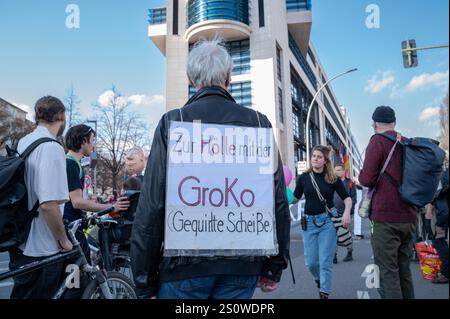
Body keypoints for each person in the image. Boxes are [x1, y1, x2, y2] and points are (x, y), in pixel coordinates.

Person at [130, 38, 291, 299]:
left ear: (191, 79)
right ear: (228, 77)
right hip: (242, 266)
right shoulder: (259, 124)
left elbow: (152, 205)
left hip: (183, 267)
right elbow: (278, 202)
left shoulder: (174, 122)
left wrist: (143, 282)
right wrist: (273, 267)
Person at [8, 96, 72, 299]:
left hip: (20, 239)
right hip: (42, 247)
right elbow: (48, 205)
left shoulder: (22, 142)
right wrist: (63, 240)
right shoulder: (52, 148)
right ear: (61, 115)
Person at [359, 106, 416, 299]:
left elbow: (366, 179)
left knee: (388, 272)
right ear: (394, 122)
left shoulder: (377, 142)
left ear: (374, 124)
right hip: (409, 217)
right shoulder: (407, 143)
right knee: (404, 271)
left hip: (385, 218)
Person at [293, 145, 352, 299]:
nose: (315, 159)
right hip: (309, 223)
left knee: (325, 261)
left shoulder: (332, 178)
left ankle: (324, 292)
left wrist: (346, 212)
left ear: (325, 160)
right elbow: (294, 198)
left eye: (319, 157)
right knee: (311, 263)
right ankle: (319, 280)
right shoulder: (304, 178)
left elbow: (347, 198)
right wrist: (280, 189)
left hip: (328, 222)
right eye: (313, 156)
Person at [63, 124, 130, 260]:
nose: (93, 145)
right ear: (83, 141)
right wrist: (111, 207)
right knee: (83, 272)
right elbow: (77, 202)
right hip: (71, 227)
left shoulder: (75, 163)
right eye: (92, 141)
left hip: (73, 226)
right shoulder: (70, 164)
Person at [425, 167, 449, 283]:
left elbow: (439, 190)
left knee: (439, 240)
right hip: (444, 209)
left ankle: (446, 273)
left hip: (443, 211)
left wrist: (430, 204)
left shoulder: (444, 174)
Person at [333, 164, 357, 263]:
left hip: (346, 213)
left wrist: (348, 211)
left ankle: (349, 252)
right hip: (334, 213)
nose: (336, 172)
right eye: (335, 170)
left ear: (343, 171)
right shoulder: (331, 182)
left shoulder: (350, 183)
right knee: (333, 235)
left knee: (347, 234)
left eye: (338, 170)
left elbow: (353, 199)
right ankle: (334, 255)